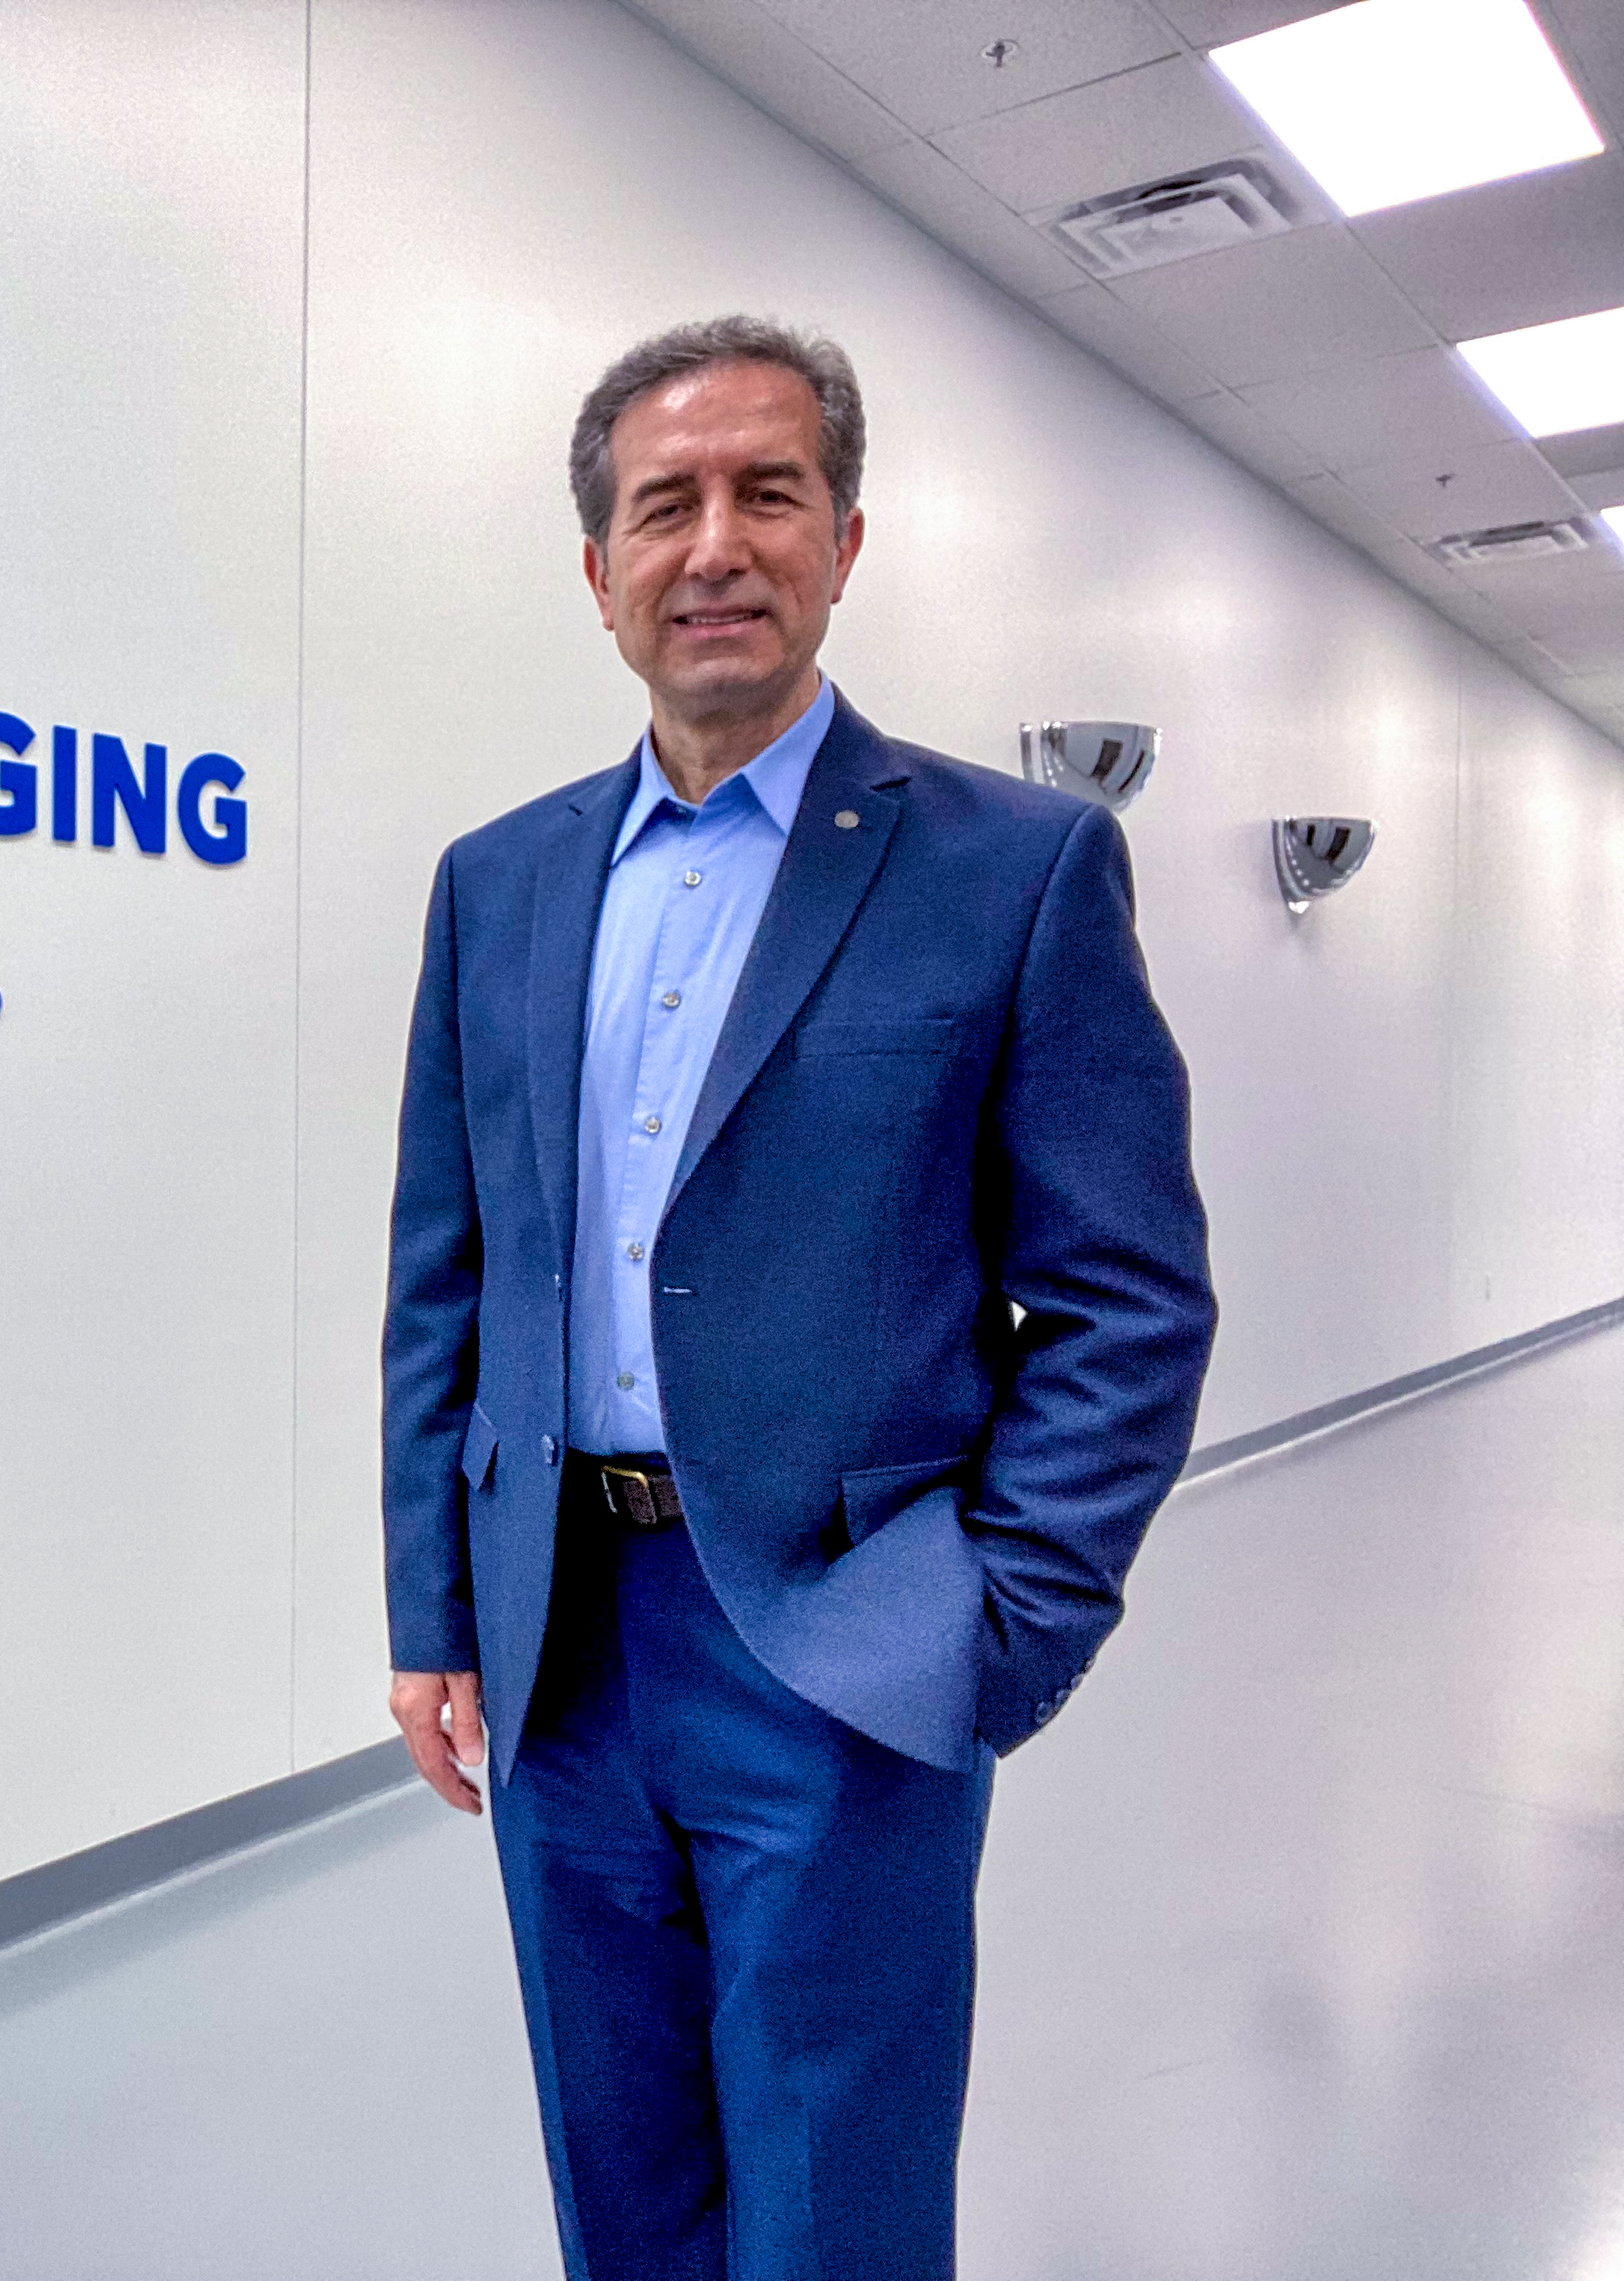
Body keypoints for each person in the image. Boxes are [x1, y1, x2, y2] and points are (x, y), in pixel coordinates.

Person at [379, 315, 1216, 2278]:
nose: (716, 544)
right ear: (599, 576)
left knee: (833, 2204)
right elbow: (454, 1275)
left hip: (845, 1641)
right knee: (626, 2185)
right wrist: (437, 1602)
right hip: (563, 1644)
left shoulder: (1012, 871)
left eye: (770, 491)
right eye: (663, 506)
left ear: (848, 539)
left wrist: (995, 1621)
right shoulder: (497, 888)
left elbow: (1126, 1298)